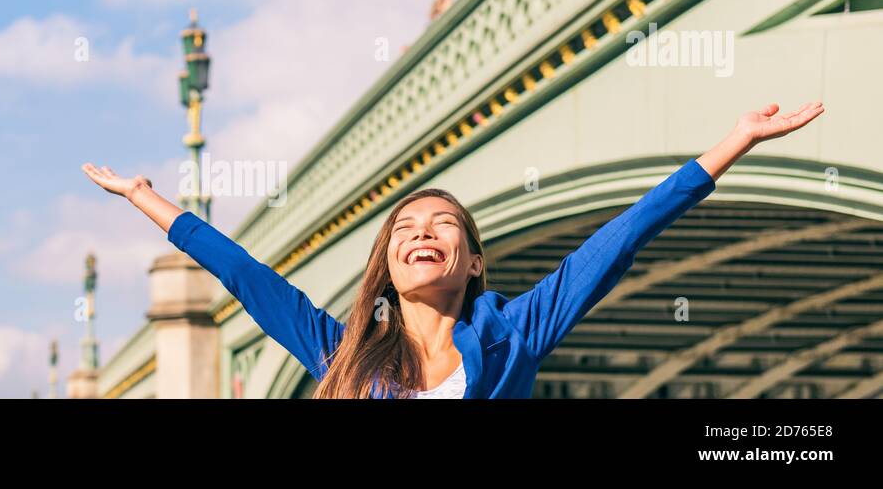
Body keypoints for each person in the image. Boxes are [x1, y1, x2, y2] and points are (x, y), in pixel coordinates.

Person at [82, 102, 825, 398]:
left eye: (441, 226)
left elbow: (618, 240)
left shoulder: (514, 332)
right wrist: (148, 197)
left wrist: (732, 145)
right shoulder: (338, 351)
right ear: (389, 261)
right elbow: (244, 275)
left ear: (473, 261)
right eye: (403, 229)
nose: (420, 234)